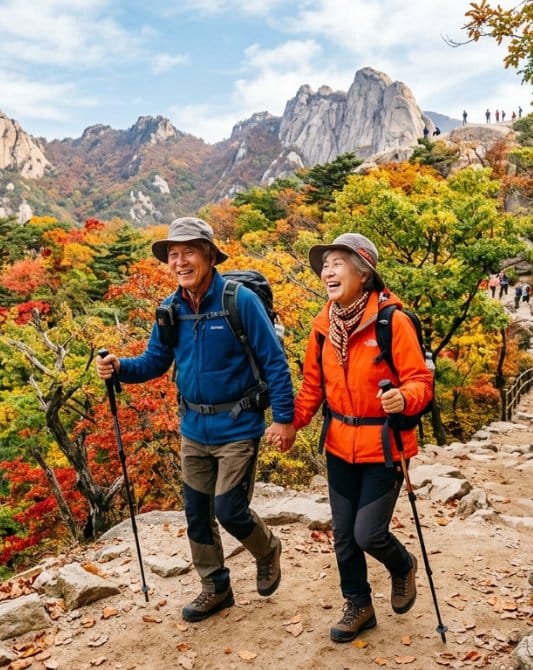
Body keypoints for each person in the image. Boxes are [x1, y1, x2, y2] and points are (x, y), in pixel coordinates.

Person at [96, 217, 293, 623]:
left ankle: (266, 548)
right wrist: (120, 368)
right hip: (193, 428)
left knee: (230, 509)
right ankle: (215, 586)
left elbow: (275, 362)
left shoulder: (239, 301)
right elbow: (155, 361)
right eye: (173, 255)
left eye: (188, 252)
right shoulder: (170, 310)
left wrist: (284, 419)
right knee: (196, 513)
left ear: (208, 254)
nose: (180, 261)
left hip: (239, 425)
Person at [289, 233, 433, 644]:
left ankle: (402, 565)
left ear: (363, 273)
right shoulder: (322, 328)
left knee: (367, 533)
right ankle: (359, 605)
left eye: (337, 263)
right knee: (343, 534)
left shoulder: (392, 322)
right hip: (339, 443)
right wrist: (290, 423)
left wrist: (402, 397)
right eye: (324, 265)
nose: (326, 271)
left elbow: (421, 381)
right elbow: (312, 388)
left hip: (385, 446)